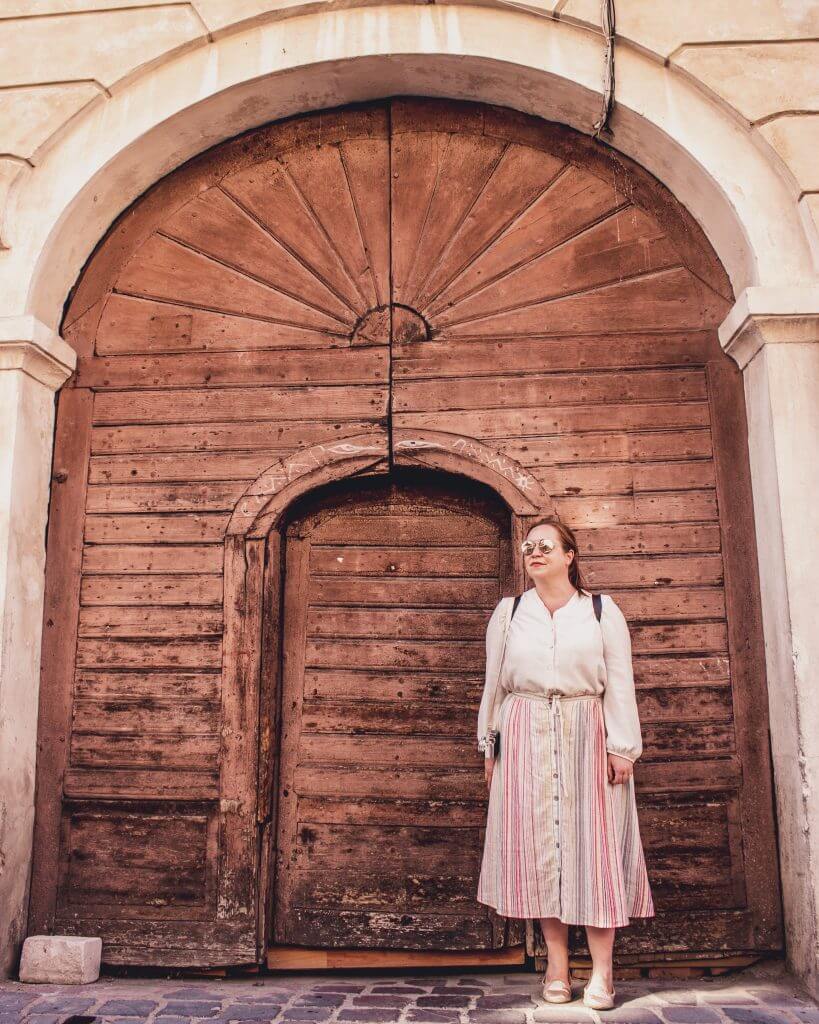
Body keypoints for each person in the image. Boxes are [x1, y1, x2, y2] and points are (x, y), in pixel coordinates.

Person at [476, 516, 655, 1010]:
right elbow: (496, 686)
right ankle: (556, 967)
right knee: (542, 852)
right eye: (529, 546)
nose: (534, 552)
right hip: (524, 733)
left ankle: (602, 972)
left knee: (593, 851)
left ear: (569, 555)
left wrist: (622, 746)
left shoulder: (600, 611)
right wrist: (489, 747)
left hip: (587, 733)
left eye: (546, 546)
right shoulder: (509, 612)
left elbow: (619, 680)